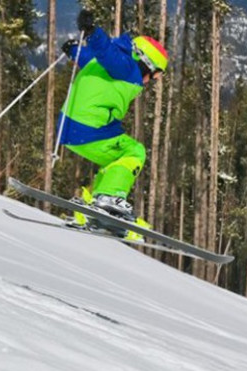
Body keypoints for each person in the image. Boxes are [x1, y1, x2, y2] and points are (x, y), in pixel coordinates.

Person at [58, 10, 168, 226]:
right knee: (135, 152)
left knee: (117, 162)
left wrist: (73, 50)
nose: (150, 81)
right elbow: (105, 50)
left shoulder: (109, 63)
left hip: (68, 126)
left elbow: (92, 57)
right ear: (143, 60)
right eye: (154, 74)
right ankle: (108, 199)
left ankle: (92, 206)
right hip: (89, 128)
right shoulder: (128, 68)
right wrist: (92, 32)